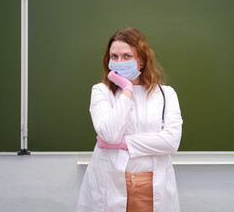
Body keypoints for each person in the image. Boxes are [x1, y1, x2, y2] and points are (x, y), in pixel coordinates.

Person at [76, 27, 183, 212]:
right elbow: (110, 135)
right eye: (114, 56)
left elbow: (171, 142)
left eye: (127, 56)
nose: (119, 61)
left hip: (152, 185)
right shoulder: (101, 91)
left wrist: (123, 143)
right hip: (109, 183)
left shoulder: (166, 94)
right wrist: (126, 90)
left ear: (141, 59)